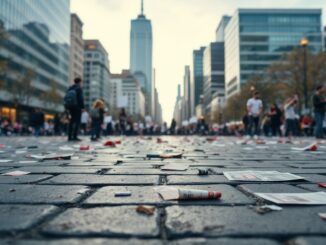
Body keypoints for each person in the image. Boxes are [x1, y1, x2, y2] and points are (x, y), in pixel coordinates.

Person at [65, 77, 84, 141]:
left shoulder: (70, 88)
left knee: (71, 122)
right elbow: (81, 99)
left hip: (70, 107)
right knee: (77, 122)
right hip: (77, 107)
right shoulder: (79, 88)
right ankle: (75, 136)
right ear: (80, 82)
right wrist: (82, 107)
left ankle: (69, 137)